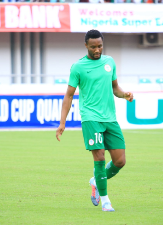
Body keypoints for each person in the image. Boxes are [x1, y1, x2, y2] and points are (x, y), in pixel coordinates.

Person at [56, 30, 133, 212]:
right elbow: (68, 96)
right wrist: (62, 123)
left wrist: (124, 95)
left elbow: (115, 88)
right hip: (90, 118)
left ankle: (96, 180)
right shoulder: (78, 67)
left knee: (120, 161)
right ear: (86, 46)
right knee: (99, 157)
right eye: (93, 47)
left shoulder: (109, 62)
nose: (97, 50)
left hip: (110, 118)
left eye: (100, 46)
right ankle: (105, 201)